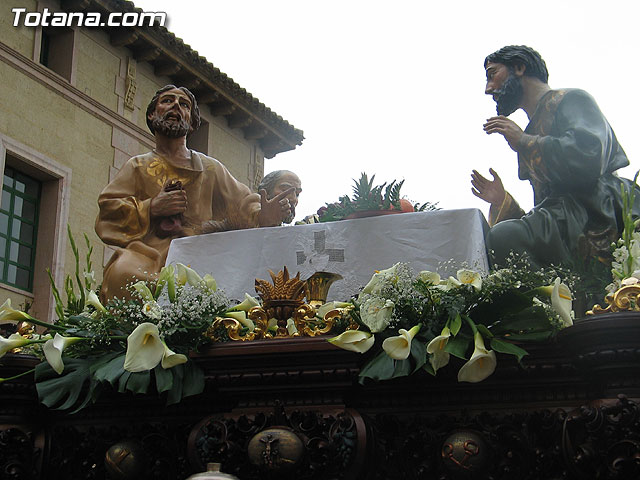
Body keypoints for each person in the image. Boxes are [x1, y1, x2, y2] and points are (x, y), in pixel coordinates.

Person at [96, 85, 294, 300]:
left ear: (191, 123)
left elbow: (244, 202)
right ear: (152, 115)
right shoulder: (138, 165)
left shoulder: (210, 168)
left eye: (184, 105)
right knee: (122, 274)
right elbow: (109, 209)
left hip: (202, 252)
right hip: (149, 255)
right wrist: (151, 207)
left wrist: (263, 215)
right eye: (167, 101)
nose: (175, 107)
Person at [471, 45, 640, 268]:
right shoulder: (530, 130)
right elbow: (543, 204)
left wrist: (524, 141)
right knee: (502, 238)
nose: (489, 88)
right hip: (564, 218)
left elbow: (589, 156)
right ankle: (547, 300)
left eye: (493, 74)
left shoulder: (571, 99)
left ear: (519, 68)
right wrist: (503, 203)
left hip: (594, 208)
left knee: (506, 236)